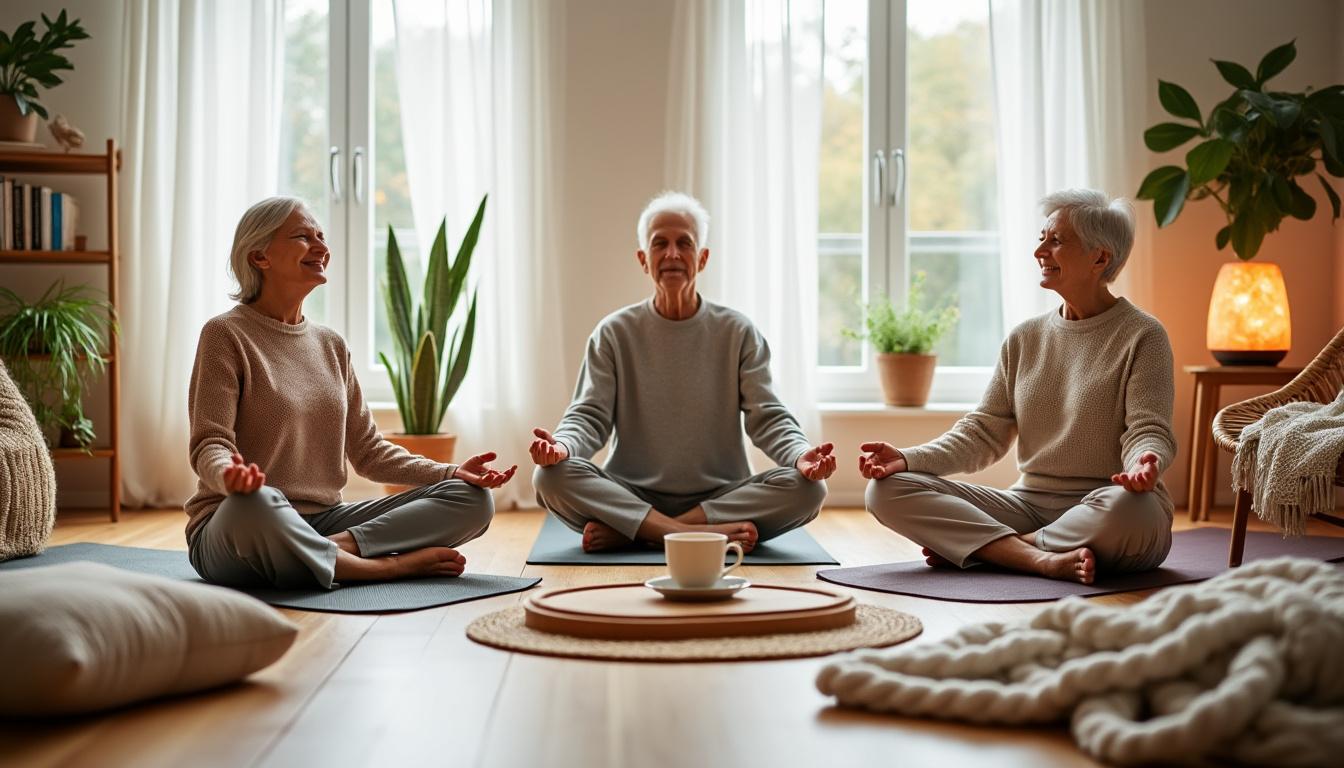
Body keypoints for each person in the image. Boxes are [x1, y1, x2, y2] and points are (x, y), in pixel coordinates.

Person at [185, 196, 515, 589]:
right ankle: (384, 567)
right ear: (260, 257)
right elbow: (210, 444)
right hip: (239, 523)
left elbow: (369, 453)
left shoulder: (331, 345)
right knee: (261, 502)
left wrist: (450, 472)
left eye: (321, 236)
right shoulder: (225, 334)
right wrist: (230, 478)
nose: (322, 247)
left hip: (323, 520)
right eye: (303, 237)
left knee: (473, 500)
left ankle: (330, 551)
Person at [860, 189, 1176, 584]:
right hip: (1027, 504)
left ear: (1100, 258)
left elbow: (1148, 429)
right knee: (885, 491)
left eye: (1056, 240)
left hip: (1105, 505)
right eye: (1041, 238)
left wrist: (1146, 462)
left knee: (1133, 511)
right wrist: (907, 459)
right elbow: (982, 434)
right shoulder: (1024, 338)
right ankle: (1036, 558)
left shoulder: (1143, 335)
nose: (1039, 251)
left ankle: (998, 551)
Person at [530, 191, 835, 553]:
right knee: (549, 478)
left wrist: (801, 454)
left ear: (702, 258)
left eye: (684, 244)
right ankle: (690, 533)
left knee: (810, 489)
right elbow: (589, 415)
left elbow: (768, 417)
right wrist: (561, 447)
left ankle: (646, 531)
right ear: (644, 260)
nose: (672, 254)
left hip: (721, 497)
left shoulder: (738, 332)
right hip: (631, 491)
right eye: (660, 244)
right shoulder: (613, 333)